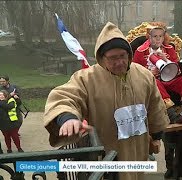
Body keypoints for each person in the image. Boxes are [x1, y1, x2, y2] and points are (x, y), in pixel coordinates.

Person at [43, 22, 169, 180]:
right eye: (112, 58)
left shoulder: (144, 75)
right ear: (101, 58)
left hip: (137, 148)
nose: (119, 62)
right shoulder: (86, 78)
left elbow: (155, 106)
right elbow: (64, 96)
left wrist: (157, 135)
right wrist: (67, 118)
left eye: (122, 56)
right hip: (107, 154)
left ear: (129, 54)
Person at [132, 22, 182, 124]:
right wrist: (149, 73)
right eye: (155, 36)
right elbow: (134, 70)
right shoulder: (140, 51)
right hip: (152, 82)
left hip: (170, 79)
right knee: (155, 84)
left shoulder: (169, 49)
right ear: (149, 37)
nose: (158, 39)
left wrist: (166, 60)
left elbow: (177, 69)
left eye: (160, 36)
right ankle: (172, 115)